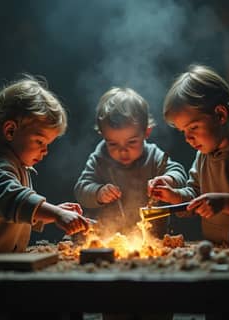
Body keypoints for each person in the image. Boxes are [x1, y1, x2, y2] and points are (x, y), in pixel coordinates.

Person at [0, 76, 90, 319]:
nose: (45, 150)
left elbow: (12, 214)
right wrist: (55, 212)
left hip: (2, 268)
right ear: (10, 130)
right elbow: (12, 199)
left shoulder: (14, 164)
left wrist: (53, 212)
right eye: (40, 141)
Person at [150, 64, 229, 247]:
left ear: (220, 115)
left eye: (193, 127)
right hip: (217, 250)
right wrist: (173, 196)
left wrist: (225, 203)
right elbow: (194, 196)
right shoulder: (203, 156)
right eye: (183, 131)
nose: (188, 138)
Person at [74, 87, 187, 240]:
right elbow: (81, 190)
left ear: (146, 132)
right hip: (109, 240)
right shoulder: (100, 159)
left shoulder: (153, 156)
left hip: (153, 240)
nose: (122, 151)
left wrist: (168, 180)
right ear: (102, 135)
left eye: (131, 142)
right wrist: (98, 192)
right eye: (113, 144)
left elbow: (178, 172)